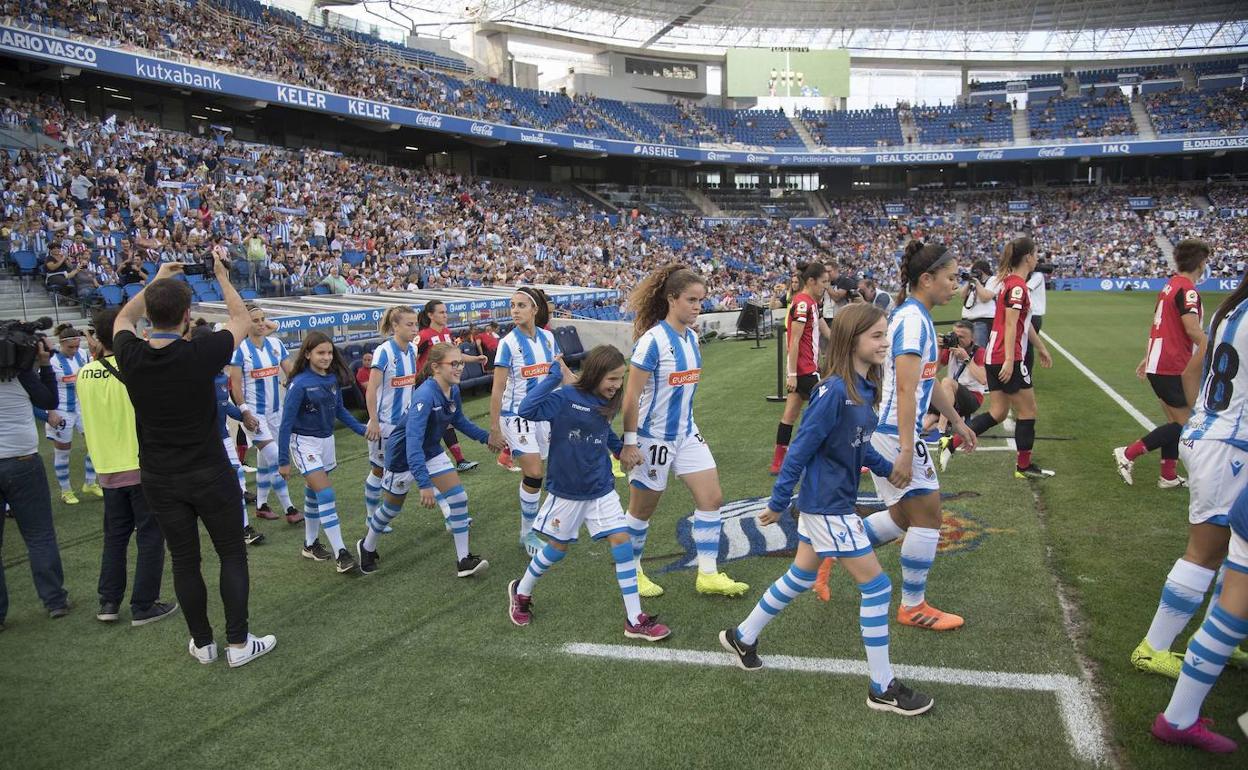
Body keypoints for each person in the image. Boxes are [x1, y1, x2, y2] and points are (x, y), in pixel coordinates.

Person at [720, 303, 934, 716]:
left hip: (833, 504)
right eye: (876, 336)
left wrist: (890, 469)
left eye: (886, 334)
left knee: (800, 576)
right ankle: (882, 686)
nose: (885, 342)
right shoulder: (833, 390)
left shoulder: (863, 387)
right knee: (877, 587)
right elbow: (800, 448)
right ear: (851, 340)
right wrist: (779, 501)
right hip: (826, 508)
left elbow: (859, 442)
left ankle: (742, 635)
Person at [113, 257, 276, 668]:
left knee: (185, 560)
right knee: (231, 555)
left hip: (159, 476)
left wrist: (156, 280)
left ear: (150, 315)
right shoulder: (201, 351)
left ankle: (202, 643)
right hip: (207, 470)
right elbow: (239, 317)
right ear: (188, 316)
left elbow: (122, 319)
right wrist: (222, 277)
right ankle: (238, 643)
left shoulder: (131, 354)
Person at [849, 241, 977, 630]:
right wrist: (907, 449)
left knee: (905, 515)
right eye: (951, 278)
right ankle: (912, 606)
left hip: (893, 432)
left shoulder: (916, 316)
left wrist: (955, 419)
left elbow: (927, 380)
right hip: (892, 433)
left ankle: (838, 549)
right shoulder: (911, 320)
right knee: (928, 516)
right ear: (927, 278)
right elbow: (905, 389)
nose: (955, 286)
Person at [1147, 271, 1248, 754]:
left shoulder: (1231, 308)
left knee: (1227, 551)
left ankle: (1223, 631)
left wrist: (1201, 419)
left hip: (1213, 434)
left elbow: (1192, 372)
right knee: (1207, 551)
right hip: (1230, 445)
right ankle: (1155, 647)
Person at [506, 346, 671, 641]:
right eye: (612, 379)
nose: (617, 386)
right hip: (567, 491)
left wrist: (620, 450)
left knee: (622, 543)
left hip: (600, 486)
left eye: (621, 379)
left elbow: (603, 429)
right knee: (556, 550)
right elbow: (526, 409)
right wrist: (552, 378)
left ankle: (635, 618)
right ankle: (521, 591)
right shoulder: (564, 398)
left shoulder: (606, 401)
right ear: (595, 373)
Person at [618, 264, 748, 598]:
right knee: (642, 509)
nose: (697, 306)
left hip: (687, 433)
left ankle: (707, 573)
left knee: (712, 497)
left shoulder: (691, 338)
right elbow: (630, 398)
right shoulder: (652, 342)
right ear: (671, 299)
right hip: (653, 439)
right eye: (691, 300)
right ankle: (631, 572)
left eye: (701, 300)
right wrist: (629, 444)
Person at [358, 343, 501, 577]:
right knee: (391, 509)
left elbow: (460, 421)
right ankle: (367, 546)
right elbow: (412, 443)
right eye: (453, 364)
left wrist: (487, 438)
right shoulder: (424, 396)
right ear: (435, 367)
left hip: (431, 450)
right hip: (403, 456)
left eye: (461, 363)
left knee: (458, 498)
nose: (459, 368)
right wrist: (424, 485)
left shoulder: (452, 390)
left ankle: (463, 560)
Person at [76, 308, 177, 626]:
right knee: (150, 534)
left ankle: (109, 602)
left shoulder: (84, 373)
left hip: (107, 468)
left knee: (115, 536)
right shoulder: (136, 367)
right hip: (140, 464)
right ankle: (144, 604)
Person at [940, 237, 1055, 479]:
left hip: (996, 355)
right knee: (1028, 411)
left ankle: (951, 443)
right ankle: (1023, 467)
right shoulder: (1016, 287)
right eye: (1035, 254)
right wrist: (1012, 361)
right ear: (1027, 257)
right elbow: (1012, 326)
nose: (1036, 259)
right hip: (1006, 356)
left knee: (998, 412)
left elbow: (1022, 324)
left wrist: (1041, 348)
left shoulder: (1009, 285)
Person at [1114, 239, 1209, 489]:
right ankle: (1128, 453)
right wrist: (1214, 346)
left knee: (1176, 423)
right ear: (1200, 263)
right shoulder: (1187, 290)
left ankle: (1168, 476)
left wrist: (1149, 357)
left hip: (1162, 361)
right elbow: (1191, 329)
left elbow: (1162, 326)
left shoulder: (1170, 286)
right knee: (1184, 425)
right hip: (1172, 364)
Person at [277, 331, 367, 573]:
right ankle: (341, 553)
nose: (326, 357)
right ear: (307, 354)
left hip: (327, 442)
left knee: (313, 492)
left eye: (329, 352)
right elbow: (286, 423)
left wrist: (362, 429)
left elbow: (339, 410)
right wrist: (283, 461)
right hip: (304, 443)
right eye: (320, 353)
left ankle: (310, 544)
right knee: (325, 494)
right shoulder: (299, 384)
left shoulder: (331, 379)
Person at [0, 334, 70, 628]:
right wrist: (43, 364)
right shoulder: (23, 373)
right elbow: (49, 400)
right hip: (22, 459)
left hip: (18, 457)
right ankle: (54, 600)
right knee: (39, 535)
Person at [489, 287, 560, 556]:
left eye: (521, 305)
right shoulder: (507, 343)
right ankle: (527, 533)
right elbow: (498, 388)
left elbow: (559, 373)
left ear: (535, 309)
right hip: (515, 417)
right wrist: (495, 428)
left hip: (544, 416)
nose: (515, 310)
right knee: (533, 472)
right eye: (512, 305)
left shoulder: (549, 339)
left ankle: (543, 525)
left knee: (546, 472)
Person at [230, 305, 300, 523]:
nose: (261, 323)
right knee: (277, 459)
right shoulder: (240, 350)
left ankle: (261, 505)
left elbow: (292, 373)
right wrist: (245, 412)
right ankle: (290, 509)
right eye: (255, 320)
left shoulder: (276, 344)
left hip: (276, 413)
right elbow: (235, 386)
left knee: (264, 461)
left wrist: (293, 383)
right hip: (255, 415)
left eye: (263, 319)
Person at [198, 326, 264, 547]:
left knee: (237, 480)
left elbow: (224, 406)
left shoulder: (220, 376)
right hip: (200, 444)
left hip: (223, 438)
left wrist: (245, 415)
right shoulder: (192, 376)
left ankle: (243, 528)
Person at [769, 261, 830, 475]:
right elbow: (793, 341)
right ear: (811, 281)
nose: (826, 286)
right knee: (829, 411)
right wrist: (792, 374)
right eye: (823, 282)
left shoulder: (812, 302)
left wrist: (840, 343)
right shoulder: (802, 304)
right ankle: (830, 458)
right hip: (804, 372)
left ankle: (778, 462)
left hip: (806, 369)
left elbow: (823, 328)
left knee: (790, 415)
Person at [363, 308, 418, 534]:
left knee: (424, 461)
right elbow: (371, 389)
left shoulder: (413, 349)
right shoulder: (384, 352)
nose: (414, 329)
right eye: (409, 324)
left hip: (407, 423)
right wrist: (373, 421)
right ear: (395, 326)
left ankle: (450, 512)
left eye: (416, 324)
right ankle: (370, 518)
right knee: (378, 470)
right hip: (385, 425)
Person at [417, 299, 486, 473]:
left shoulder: (447, 333)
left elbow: (456, 355)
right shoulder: (424, 335)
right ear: (430, 315)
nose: (445, 315)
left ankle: (459, 460)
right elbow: (411, 357)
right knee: (431, 423)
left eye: (446, 312)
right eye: (441, 312)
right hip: (428, 386)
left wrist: (475, 359)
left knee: (446, 420)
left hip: (444, 386)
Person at [40, 325, 100, 504]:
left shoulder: (82, 354)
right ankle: (66, 491)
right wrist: (50, 412)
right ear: (61, 344)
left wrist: (88, 334)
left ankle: (90, 483)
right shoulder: (52, 361)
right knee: (63, 452)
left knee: (94, 446)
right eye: (70, 347)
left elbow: (95, 351)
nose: (74, 351)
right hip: (61, 410)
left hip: (82, 408)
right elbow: (43, 388)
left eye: (76, 346)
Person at [923, 321, 987, 436]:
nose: (957, 340)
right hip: (950, 397)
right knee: (925, 425)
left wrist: (966, 359)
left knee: (947, 382)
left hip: (972, 398)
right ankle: (951, 424)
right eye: (955, 336)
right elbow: (933, 371)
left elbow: (983, 380)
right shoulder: (951, 349)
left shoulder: (979, 352)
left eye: (961, 337)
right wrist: (939, 349)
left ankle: (941, 428)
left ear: (972, 338)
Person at [959, 259, 997, 348]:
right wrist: (969, 282)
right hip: (966, 320)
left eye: (977, 272)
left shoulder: (993, 280)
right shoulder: (974, 282)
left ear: (984, 272)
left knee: (978, 351)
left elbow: (985, 298)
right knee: (965, 349)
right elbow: (962, 295)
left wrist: (977, 282)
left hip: (982, 321)